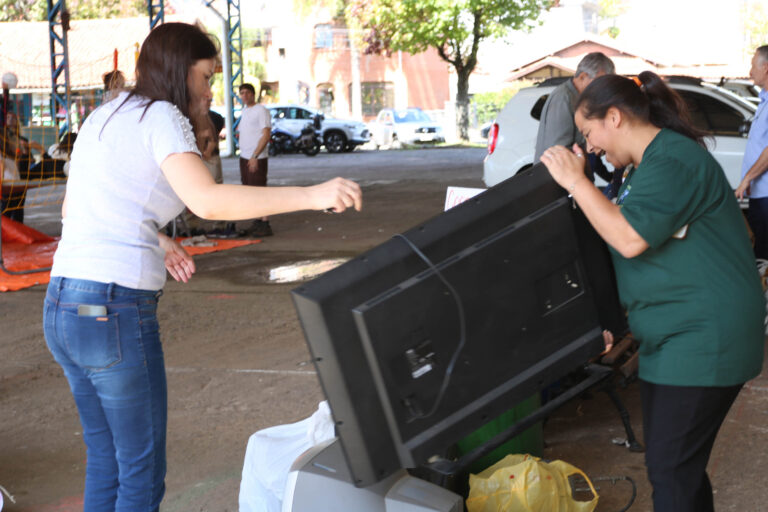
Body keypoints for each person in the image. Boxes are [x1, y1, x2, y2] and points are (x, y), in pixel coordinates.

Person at [42, 22, 361, 512]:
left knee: (107, 459)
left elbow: (77, 210)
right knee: (141, 473)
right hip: (111, 313)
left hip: (68, 310)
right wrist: (312, 196)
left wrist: (157, 238)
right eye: (207, 76)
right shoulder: (161, 115)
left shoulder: (107, 114)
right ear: (178, 70)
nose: (211, 89)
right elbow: (207, 200)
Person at [540, 71, 765, 512]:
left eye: (589, 133)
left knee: (670, 467)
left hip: (704, 335)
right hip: (669, 335)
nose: (589, 148)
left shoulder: (673, 161)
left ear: (615, 117)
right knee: (675, 466)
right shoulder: (642, 170)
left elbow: (628, 239)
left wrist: (577, 182)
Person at [534, 52, 616, 191]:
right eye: (599, 82)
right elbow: (559, 150)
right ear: (583, 76)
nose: (602, 88)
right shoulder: (564, 98)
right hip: (558, 186)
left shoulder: (579, 98)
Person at [736, 45, 768, 259]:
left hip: (766, 194)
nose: (750, 71)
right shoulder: (763, 100)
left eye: (752, 65)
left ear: (766, 67)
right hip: (759, 192)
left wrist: (748, 178)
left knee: (764, 254)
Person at [237, 82, 273, 237]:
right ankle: (257, 221)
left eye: (247, 93)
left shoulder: (261, 110)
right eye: (242, 93)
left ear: (253, 94)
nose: (244, 96)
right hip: (244, 156)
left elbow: (266, 135)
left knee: (259, 191)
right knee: (250, 191)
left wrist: (255, 156)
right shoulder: (245, 111)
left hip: (256, 157)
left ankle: (265, 223)